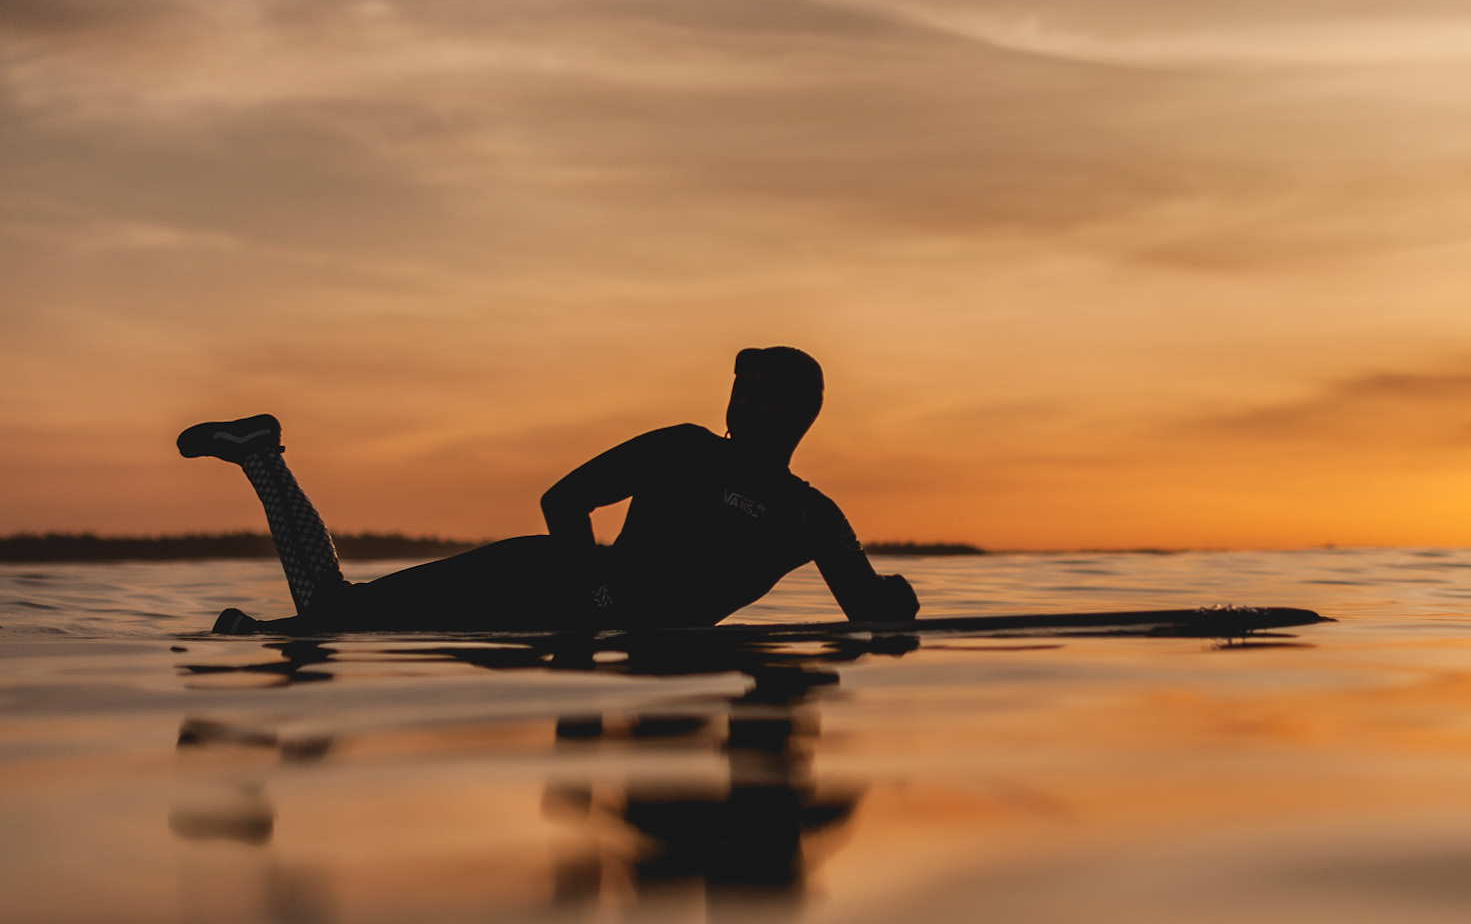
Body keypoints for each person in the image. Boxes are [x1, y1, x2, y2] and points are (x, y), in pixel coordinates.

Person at [178, 346, 919, 633]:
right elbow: (564, 499)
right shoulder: (685, 449)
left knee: (328, 622)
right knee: (332, 616)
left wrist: (895, 594)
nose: (746, 403)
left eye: (766, 394)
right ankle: (262, 461)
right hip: (534, 579)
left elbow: (868, 613)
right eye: (742, 389)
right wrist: (590, 597)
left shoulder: (811, 518)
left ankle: (260, 483)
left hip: (584, 632)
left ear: (805, 412)